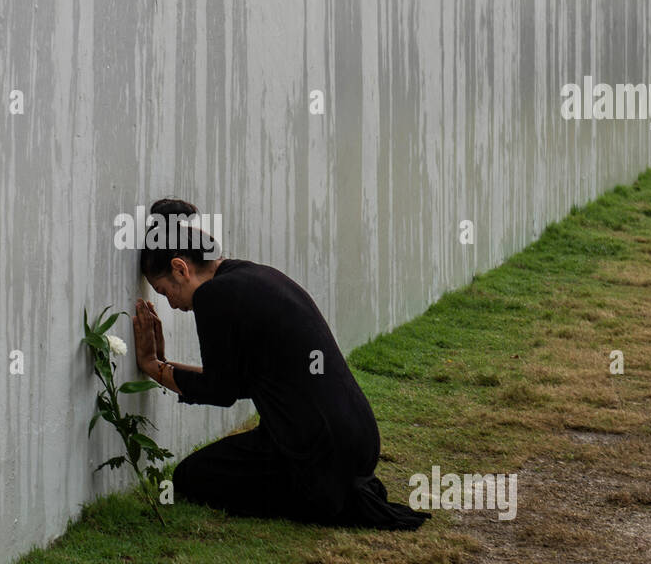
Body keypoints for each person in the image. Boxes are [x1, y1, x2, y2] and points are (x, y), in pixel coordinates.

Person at [131, 198, 430, 530]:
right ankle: (338, 491)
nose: (170, 304)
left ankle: (329, 497)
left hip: (317, 450)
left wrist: (150, 364)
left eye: (164, 291)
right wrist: (164, 364)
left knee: (190, 478)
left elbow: (221, 390)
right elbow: (238, 380)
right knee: (208, 471)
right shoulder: (251, 275)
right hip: (358, 442)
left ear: (180, 268)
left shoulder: (213, 296)